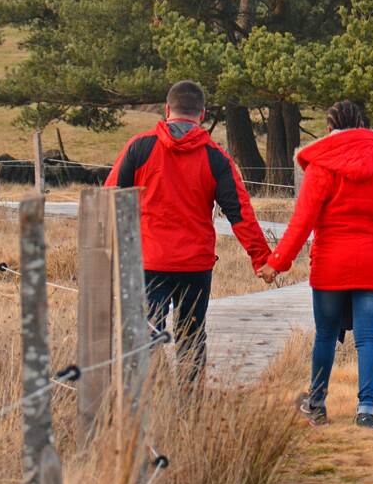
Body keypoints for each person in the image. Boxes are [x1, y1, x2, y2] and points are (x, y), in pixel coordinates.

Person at [258, 100, 373, 429]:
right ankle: (366, 410)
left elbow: (302, 221)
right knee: (368, 338)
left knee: (325, 335)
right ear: (361, 126)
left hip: (331, 264)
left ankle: (316, 404)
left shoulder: (322, 166)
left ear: (329, 129)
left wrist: (277, 263)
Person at [106, 80, 271, 384]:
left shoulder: (139, 147)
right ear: (202, 114)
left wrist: (110, 251)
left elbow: (109, 198)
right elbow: (240, 213)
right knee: (192, 335)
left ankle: (153, 398)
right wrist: (261, 259)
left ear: (167, 110)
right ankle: (191, 402)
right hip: (195, 265)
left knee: (148, 332)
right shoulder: (216, 157)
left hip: (149, 261)